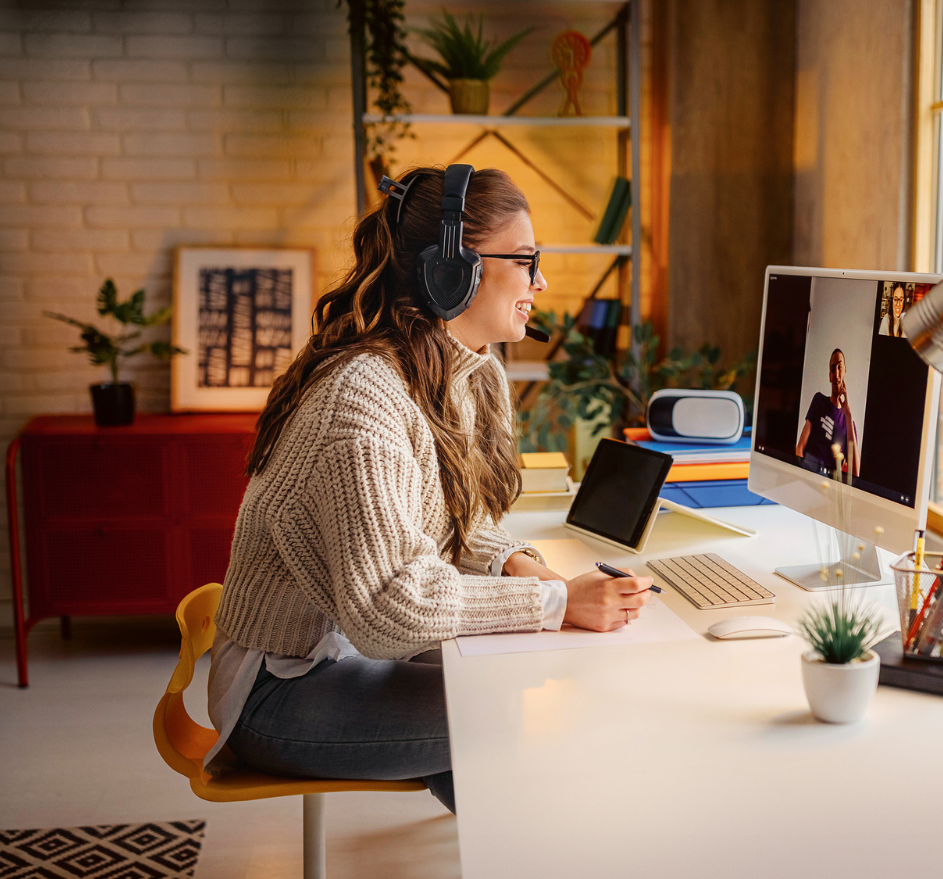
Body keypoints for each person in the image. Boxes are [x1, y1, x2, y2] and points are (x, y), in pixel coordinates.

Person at [204, 166, 655, 815]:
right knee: (499, 718)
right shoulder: (361, 400)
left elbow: (460, 522)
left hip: (343, 651)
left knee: (503, 690)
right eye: (527, 260)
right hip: (280, 687)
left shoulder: (463, 372)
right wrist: (554, 601)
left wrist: (517, 564)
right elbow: (392, 605)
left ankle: (516, 851)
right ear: (453, 269)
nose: (541, 281)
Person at [794, 348, 860, 477]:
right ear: (829, 376)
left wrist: (848, 413)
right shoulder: (819, 401)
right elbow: (800, 447)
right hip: (806, 473)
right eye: (833, 368)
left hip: (827, 485)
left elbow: (855, 473)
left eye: (840, 367)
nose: (836, 373)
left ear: (845, 370)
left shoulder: (849, 424)